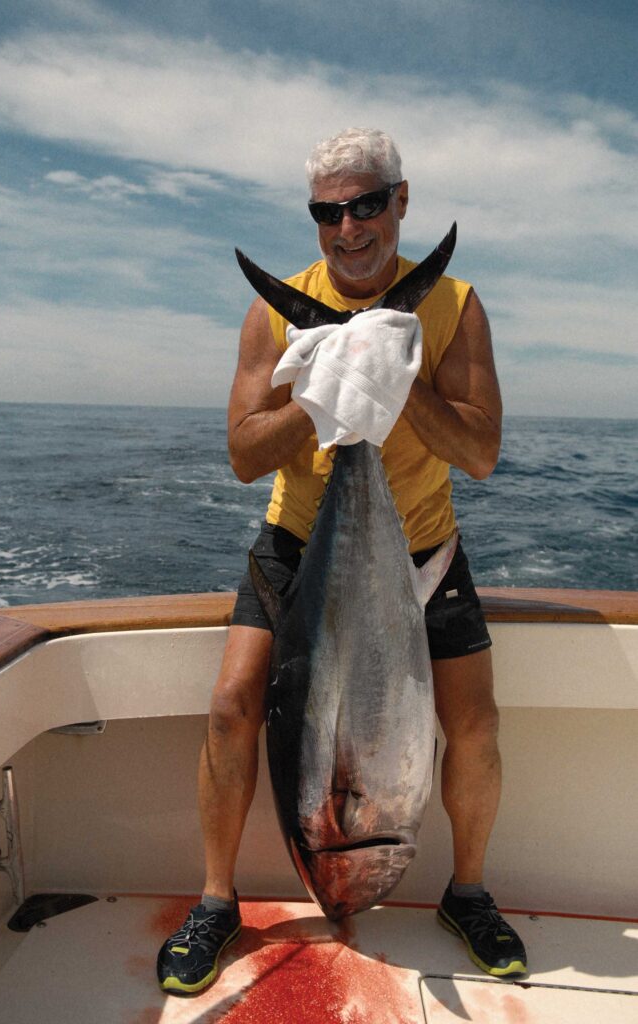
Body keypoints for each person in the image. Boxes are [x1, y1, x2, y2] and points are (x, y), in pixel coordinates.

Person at [157, 127, 527, 994]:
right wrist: (321, 388)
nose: (348, 228)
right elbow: (246, 454)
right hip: (298, 540)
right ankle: (216, 901)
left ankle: (466, 894)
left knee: (473, 723)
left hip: (423, 541)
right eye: (328, 212)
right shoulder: (277, 306)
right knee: (228, 706)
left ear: (400, 200)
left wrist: (395, 383)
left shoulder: (455, 304)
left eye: (365, 204)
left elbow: (478, 452)